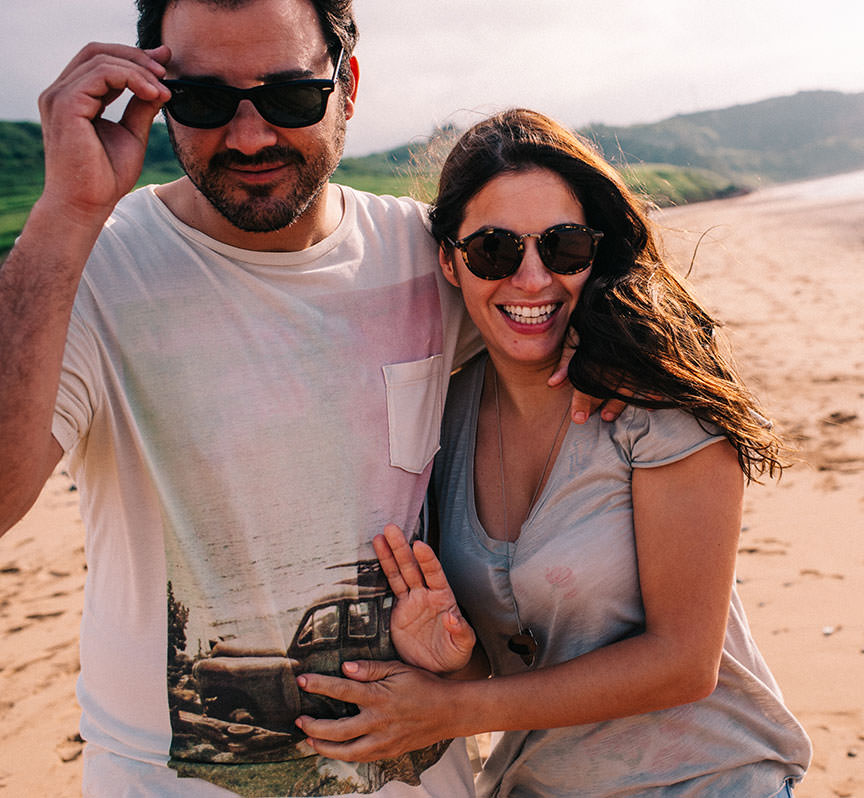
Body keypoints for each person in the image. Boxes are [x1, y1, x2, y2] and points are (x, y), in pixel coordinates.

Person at [0, 3, 613, 796]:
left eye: (289, 95)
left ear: (347, 86)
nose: (250, 136)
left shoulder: (434, 260)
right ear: (156, 98)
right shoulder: (91, 269)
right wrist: (64, 214)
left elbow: (573, 317)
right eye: (206, 100)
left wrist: (614, 357)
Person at [295, 109, 813, 797]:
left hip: (709, 779)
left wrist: (450, 711)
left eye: (563, 247)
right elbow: (517, 657)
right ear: (450, 261)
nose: (534, 278)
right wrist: (457, 659)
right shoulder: (440, 421)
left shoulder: (651, 395)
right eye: (495, 251)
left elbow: (685, 664)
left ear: (594, 251)